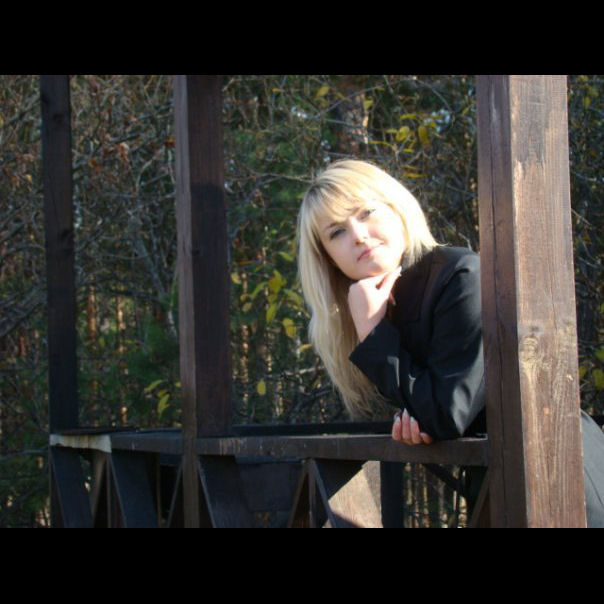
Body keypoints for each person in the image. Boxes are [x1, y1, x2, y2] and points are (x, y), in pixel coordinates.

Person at [296, 158, 604, 527]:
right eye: (337, 232)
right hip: (498, 486)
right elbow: (434, 412)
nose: (358, 235)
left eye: (366, 212)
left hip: (562, 477)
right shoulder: (376, 306)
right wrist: (415, 416)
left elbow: (447, 413)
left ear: (397, 209)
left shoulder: (460, 274)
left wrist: (373, 334)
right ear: (328, 258)